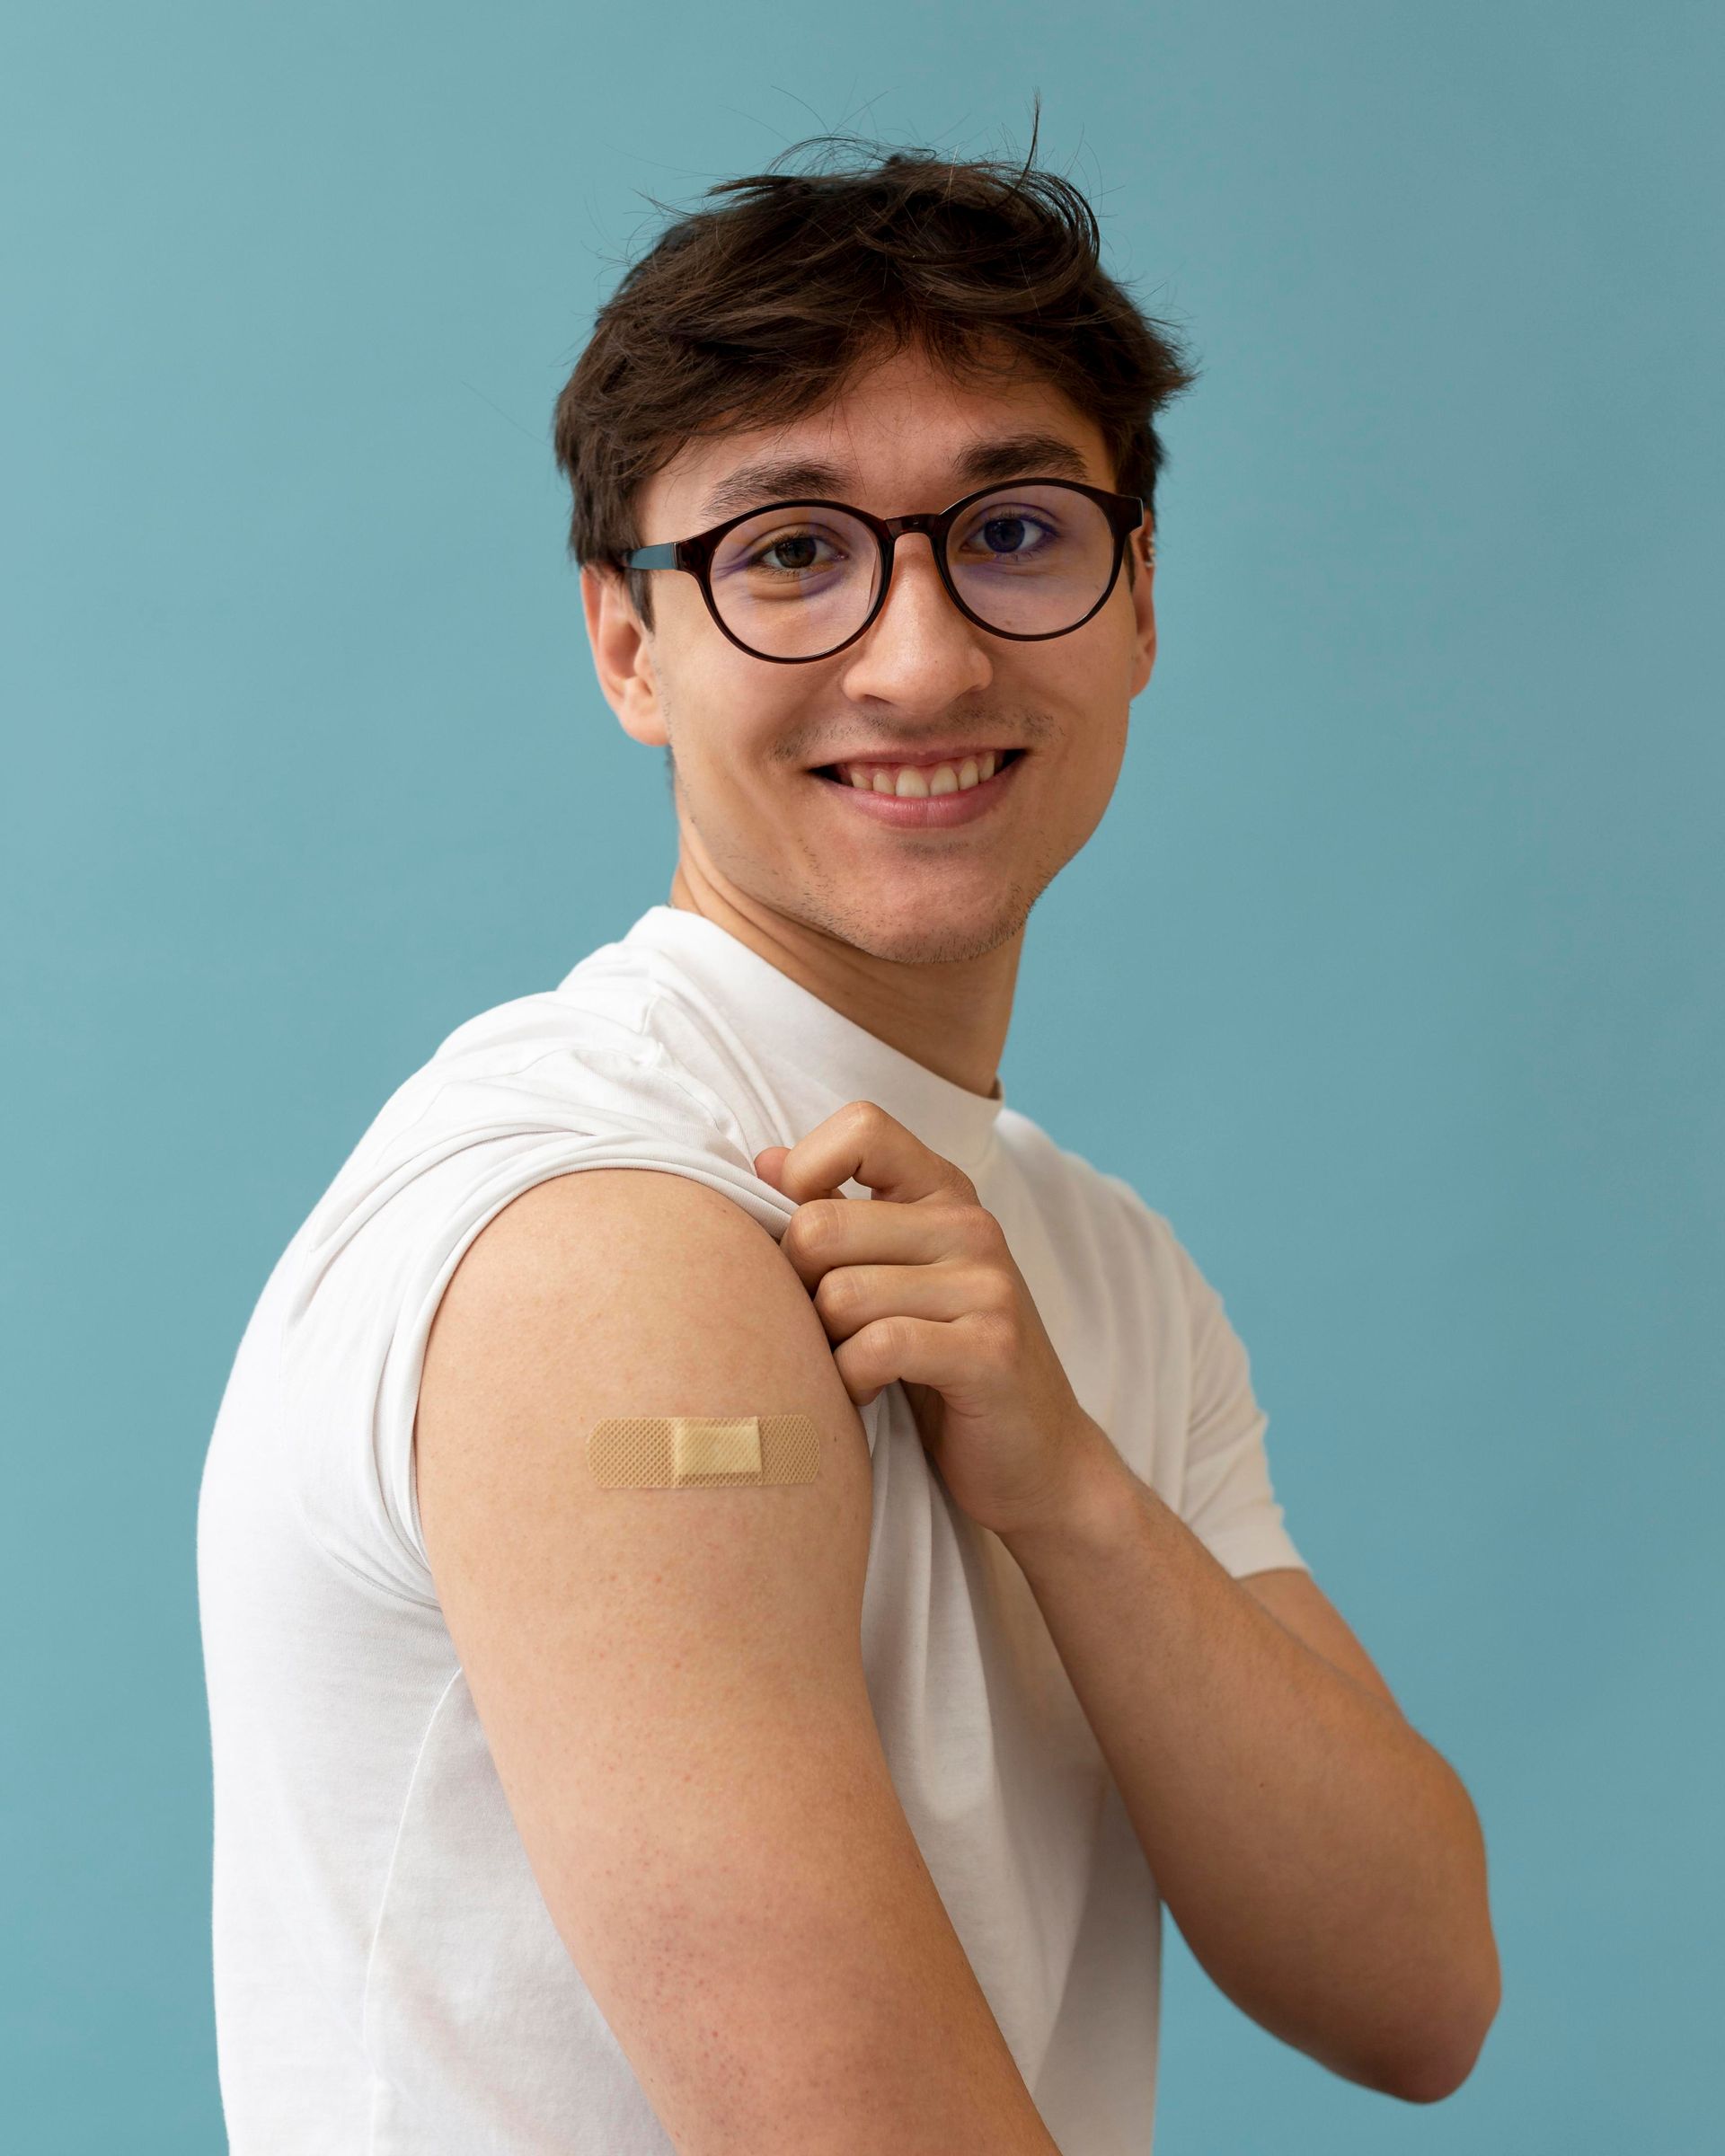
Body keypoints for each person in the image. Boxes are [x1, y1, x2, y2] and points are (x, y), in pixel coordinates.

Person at [197, 127, 1499, 2155]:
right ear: (633, 647)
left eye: (1012, 533)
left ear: (1138, 597)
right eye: (790, 551)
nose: (921, 656)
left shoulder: (1094, 1270)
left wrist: (1066, 1490)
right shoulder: (609, 1243)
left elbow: (1417, 1987)